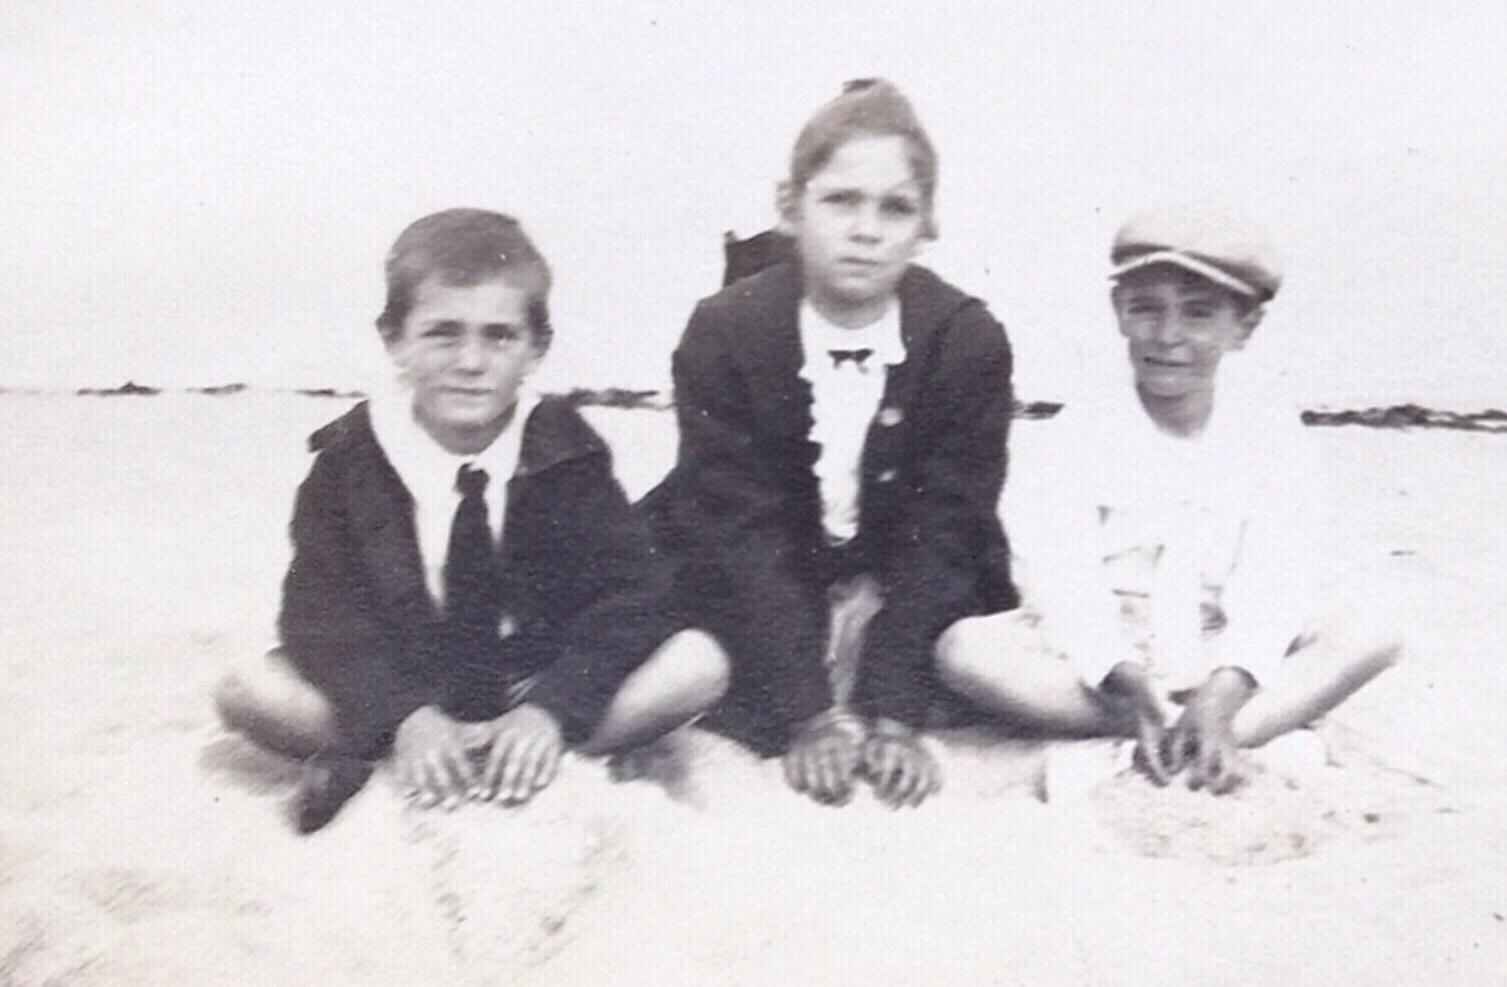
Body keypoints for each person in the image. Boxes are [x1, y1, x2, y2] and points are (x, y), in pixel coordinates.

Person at [215, 209, 729, 833]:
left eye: (499, 336)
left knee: (699, 663)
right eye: (442, 333)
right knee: (247, 688)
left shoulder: (566, 449)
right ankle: (420, 754)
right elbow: (319, 614)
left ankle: (524, 753)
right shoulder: (349, 460)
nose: (471, 361)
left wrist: (550, 710)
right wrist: (404, 716)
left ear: (537, 347)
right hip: (408, 686)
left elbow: (629, 600)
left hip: (533, 681)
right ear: (394, 339)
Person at [936, 204, 1403, 798]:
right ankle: (1208, 733)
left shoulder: (1273, 435)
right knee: (964, 650)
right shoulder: (1075, 434)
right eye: (1146, 308)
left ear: (1245, 327)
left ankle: (1206, 729)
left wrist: (1225, 688)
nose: (1168, 335)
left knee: (1374, 630)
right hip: (1110, 665)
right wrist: (1126, 680)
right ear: (1119, 311)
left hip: (1220, 651)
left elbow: (1276, 584)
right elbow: (1063, 585)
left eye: (1199, 313)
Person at [641, 79, 1015, 808]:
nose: (866, 230)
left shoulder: (966, 340)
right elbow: (737, 528)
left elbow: (946, 532)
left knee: (965, 655)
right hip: (758, 581)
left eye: (895, 208)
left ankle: (882, 697)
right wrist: (808, 715)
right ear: (791, 206)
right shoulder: (726, 330)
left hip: (897, 589)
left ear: (928, 224)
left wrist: (895, 714)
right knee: (684, 656)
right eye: (841, 200)